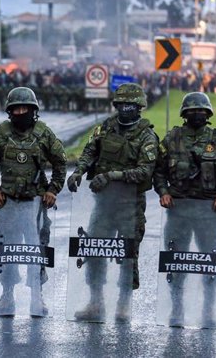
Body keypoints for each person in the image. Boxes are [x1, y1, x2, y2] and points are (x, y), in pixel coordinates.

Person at [67, 83, 158, 321]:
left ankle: (123, 305)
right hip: (103, 204)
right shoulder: (106, 128)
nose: (125, 109)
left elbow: (144, 171)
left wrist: (110, 176)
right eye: (121, 104)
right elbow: (89, 151)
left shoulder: (147, 135)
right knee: (94, 250)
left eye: (130, 105)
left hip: (130, 205)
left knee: (128, 255)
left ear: (139, 107)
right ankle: (95, 303)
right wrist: (79, 171)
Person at [0, 87, 67, 316]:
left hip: (35, 203)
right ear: (9, 111)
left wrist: (53, 190)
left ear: (33, 110)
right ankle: (7, 297)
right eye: (15, 108)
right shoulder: (3, 133)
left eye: (24, 108)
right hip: (8, 204)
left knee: (37, 251)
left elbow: (60, 163)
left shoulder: (44, 133)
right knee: (8, 251)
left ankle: (38, 297)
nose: (20, 112)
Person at [153, 92, 216, 326]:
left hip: (209, 212)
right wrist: (163, 192)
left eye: (200, 111)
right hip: (178, 210)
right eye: (191, 111)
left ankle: (209, 310)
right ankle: (176, 309)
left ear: (208, 114)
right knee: (176, 262)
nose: (196, 114)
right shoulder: (172, 139)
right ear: (184, 114)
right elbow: (158, 170)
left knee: (209, 263)